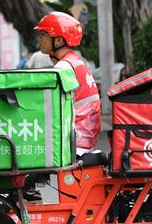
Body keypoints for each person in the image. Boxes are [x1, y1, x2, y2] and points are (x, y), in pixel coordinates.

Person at [34, 11, 101, 155]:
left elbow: (50, 108)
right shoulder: (74, 61)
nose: (40, 38)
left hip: (74, 142)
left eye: (44, 34)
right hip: (84, 138)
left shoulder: (63, 68)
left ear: (58, 41)